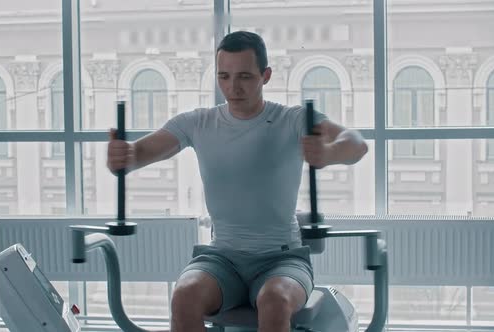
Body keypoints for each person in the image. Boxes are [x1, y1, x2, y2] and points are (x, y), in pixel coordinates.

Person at [107, 31, 368, 332]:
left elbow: (357, 144)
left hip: (282, 260)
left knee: (275, 300)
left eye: (244, 76)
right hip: (222, 259)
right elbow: (137, 154)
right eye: (224, 76)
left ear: (265, 75)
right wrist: (121, 157)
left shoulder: (292, 119)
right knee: (183, 297)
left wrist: (329, 153)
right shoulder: (198, 122)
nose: (233, 87)